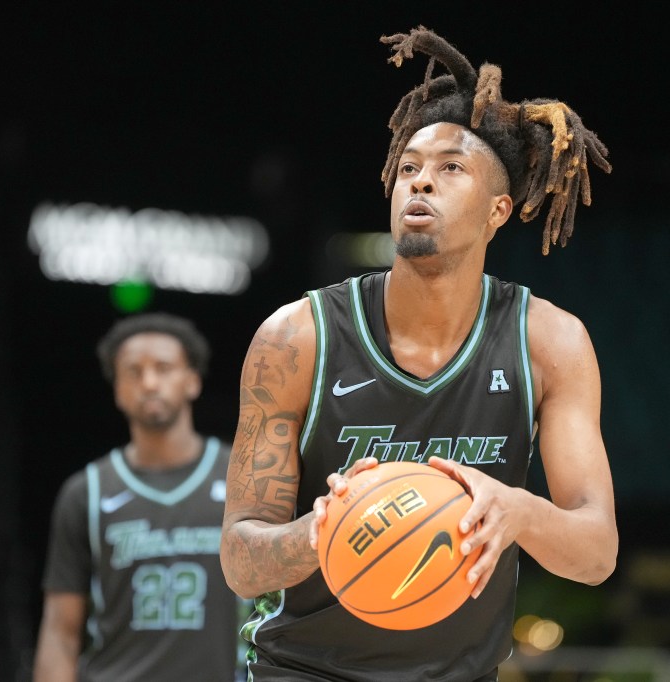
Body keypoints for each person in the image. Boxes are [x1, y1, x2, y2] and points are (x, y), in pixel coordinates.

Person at [220, 26, 619, 681]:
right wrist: (320, 531)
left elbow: (597, 551)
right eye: (408, 170)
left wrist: (520, 510)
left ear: (498, 210)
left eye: (448, 169)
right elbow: (240, 558)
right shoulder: (298, 337)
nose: (419, 185)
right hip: (303, 670)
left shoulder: (549, 342)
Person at [34, 312, 244, 681]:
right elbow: (60, 632)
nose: (149, 382)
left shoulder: (241, 477)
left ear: (192, 381)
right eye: (133, 371)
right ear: (117, 389)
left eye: (163, 368)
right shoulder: (87, 492)